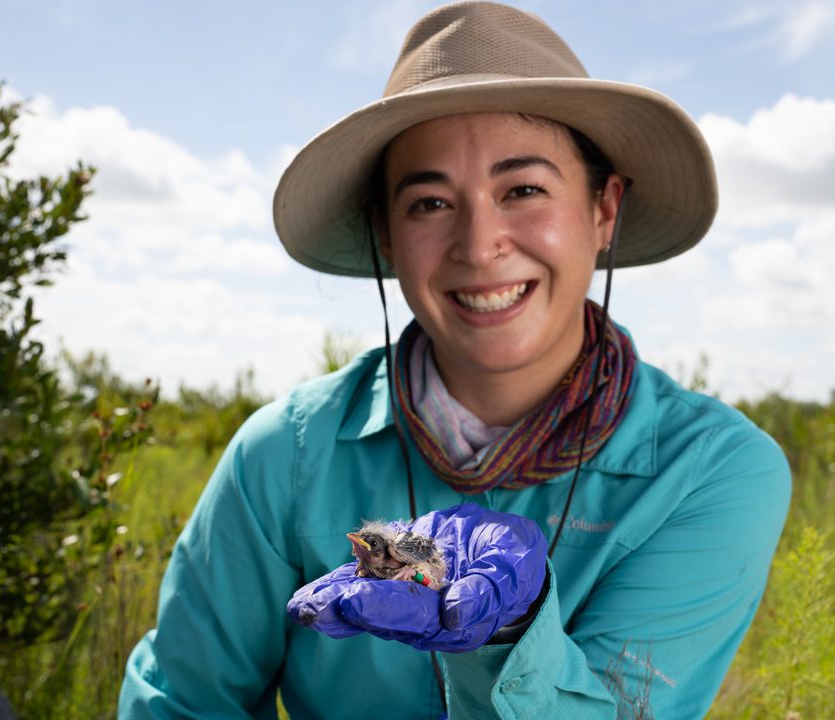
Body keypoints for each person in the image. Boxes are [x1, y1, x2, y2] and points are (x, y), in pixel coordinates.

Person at [118, 2, 791, 718]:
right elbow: (181, 703)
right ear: (384, 233)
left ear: (605, 210)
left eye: (524, 190)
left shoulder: (712, 472)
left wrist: (510, 629)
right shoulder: (284, 454)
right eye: (430, 203)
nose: (478, 244)